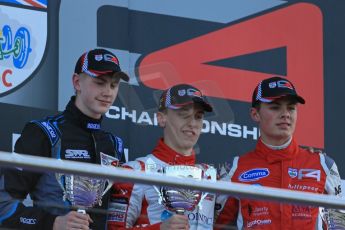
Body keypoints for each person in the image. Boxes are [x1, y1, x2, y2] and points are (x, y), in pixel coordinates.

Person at [0, 48, 129, 229]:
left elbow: (119, 218)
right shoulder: (45, 133)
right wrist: (53, 223)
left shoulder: (114, 145)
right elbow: (3, 206)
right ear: (77, 82)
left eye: (114, 85)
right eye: (100, 82)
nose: (108, 92)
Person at [215, 76, 343, 229]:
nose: (285, 114)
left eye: (291, 108)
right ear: (255, 114)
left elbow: (339, 224)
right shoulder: (234, 169)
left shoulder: (323, 165)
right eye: (275, 107)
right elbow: (213, 225)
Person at [107, 84, 217, 230]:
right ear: (161, 118)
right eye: (184, 114)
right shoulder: (134, 172)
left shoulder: (212, 177)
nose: (192, 124)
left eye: (198, 117)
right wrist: (160, 228)